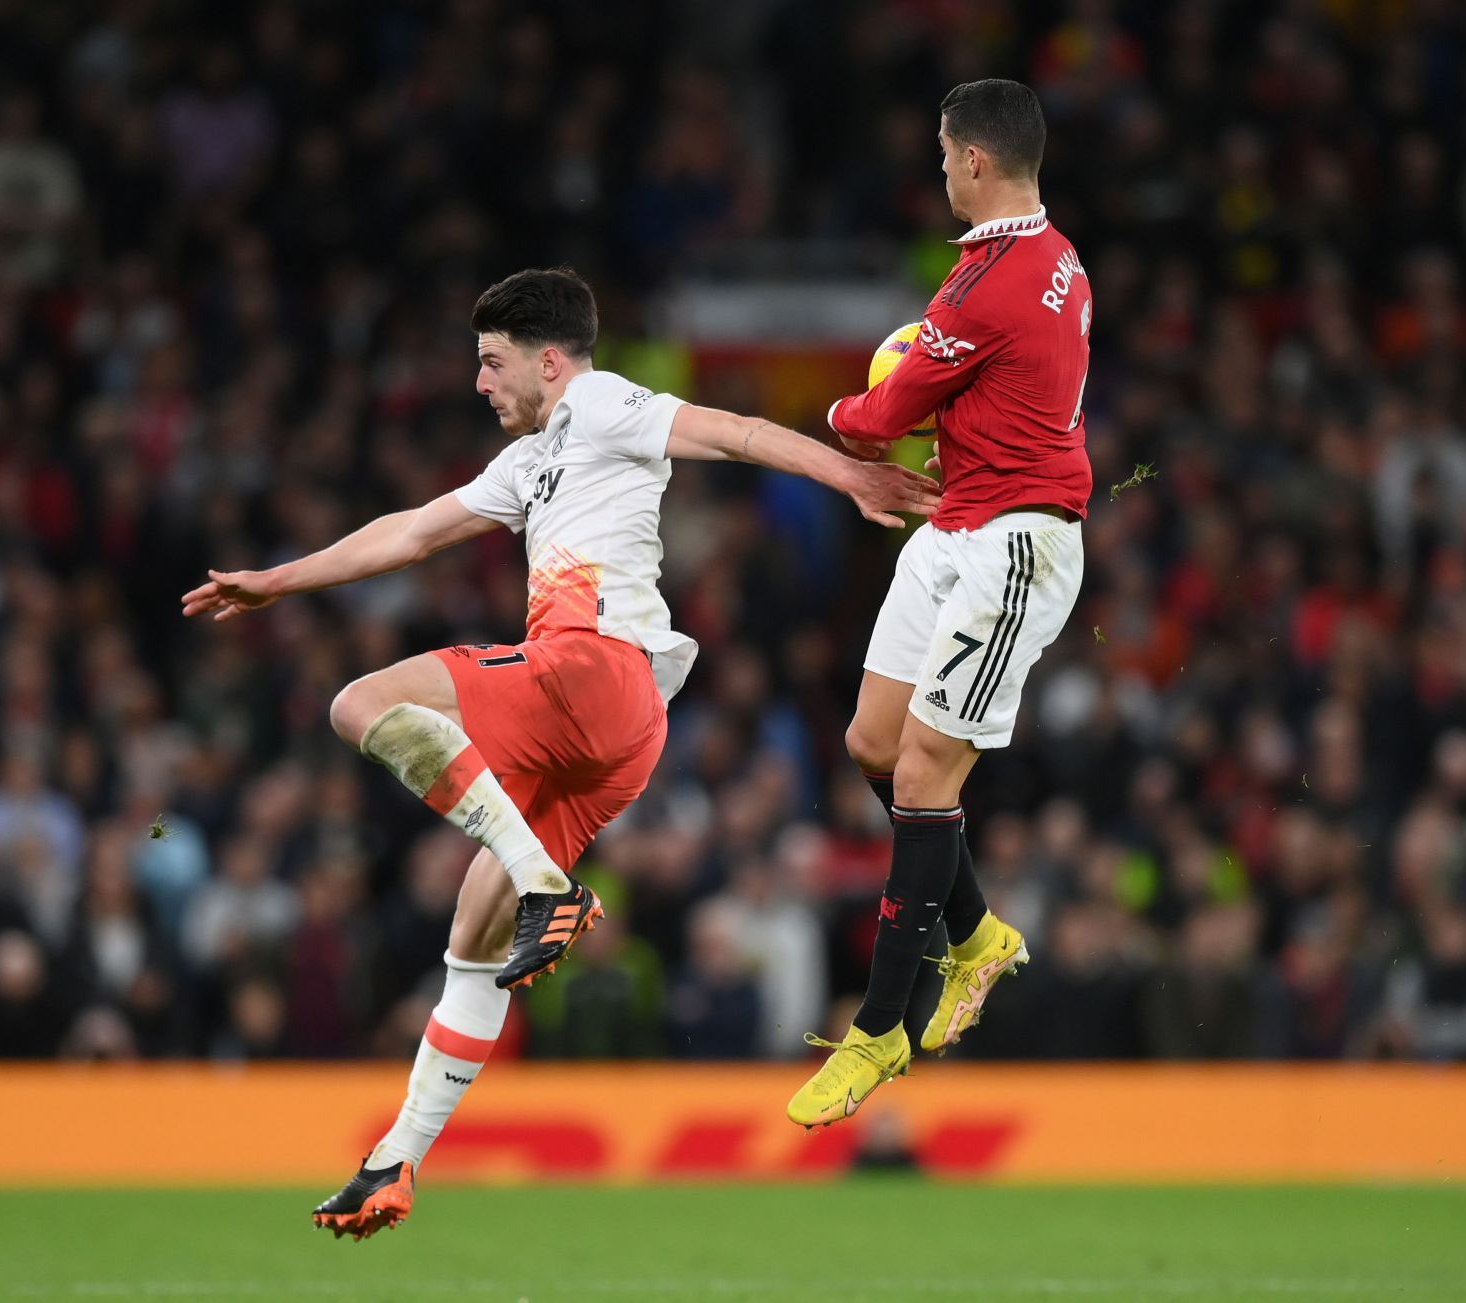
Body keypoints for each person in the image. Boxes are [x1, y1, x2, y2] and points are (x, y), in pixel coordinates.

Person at [180, 267, 938, 1236]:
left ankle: (552, 885)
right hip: (614, 733)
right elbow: (412, 531)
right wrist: (276, 583)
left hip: (590, 666)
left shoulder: (604, 403)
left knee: (360, 701)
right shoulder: (528, 463)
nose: (481, 383)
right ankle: (395, 1163)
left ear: (548, 359)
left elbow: (734, 433)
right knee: (471, 935)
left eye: (492, 364)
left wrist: (852, 474)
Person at [790, 79, 1092, 1128]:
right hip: (958, 521)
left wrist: (836, 407)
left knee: (923, 769)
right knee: (874, 740)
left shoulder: (984, 294)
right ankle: (976, 933)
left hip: (1016, 543)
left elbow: (874, 421)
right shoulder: (1054, 260)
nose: (940, 167)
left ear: (970, 161)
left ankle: (879, 1026)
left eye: (943, 153)